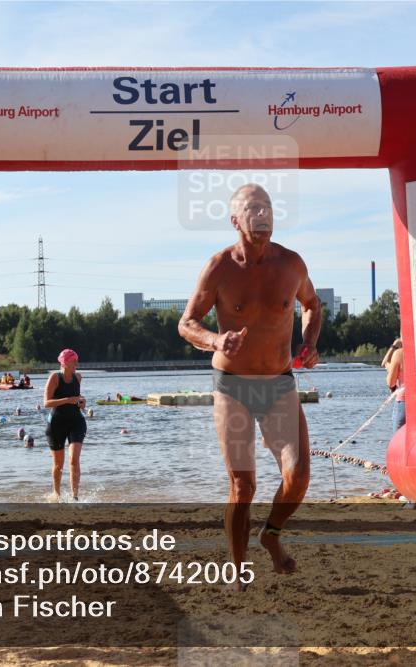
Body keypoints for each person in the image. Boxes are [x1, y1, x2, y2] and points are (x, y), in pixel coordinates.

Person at [178, 183, 321, 588]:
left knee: (300, 474)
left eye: (268, 207)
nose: (263, 215)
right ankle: (238, 568)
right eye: (253, 209)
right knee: (243, 485)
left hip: (278, 384)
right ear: (235, 220)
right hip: (233, 385)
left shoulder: (291, 264)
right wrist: (216, 340)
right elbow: (186, 323)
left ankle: (271, 534)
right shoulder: (219, 267)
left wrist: (309, 343)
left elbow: (312, 304)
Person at [44, 348, 87, 501]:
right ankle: (56, 493)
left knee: (74, 459)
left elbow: (78, 398)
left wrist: (82, 403)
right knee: (58, 465)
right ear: (66, 362)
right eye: (74, 360)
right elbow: (46, 402)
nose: (77, 363)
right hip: (56, 424)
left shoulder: (78, 377)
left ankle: (75, 496)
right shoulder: (55, 377)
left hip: (76, 421)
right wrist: (68, 400)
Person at [383, 338, 406, 431]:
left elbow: (390, 383)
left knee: (398, 438)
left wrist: (394, 346)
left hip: (404, 401)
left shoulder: (400, 353)